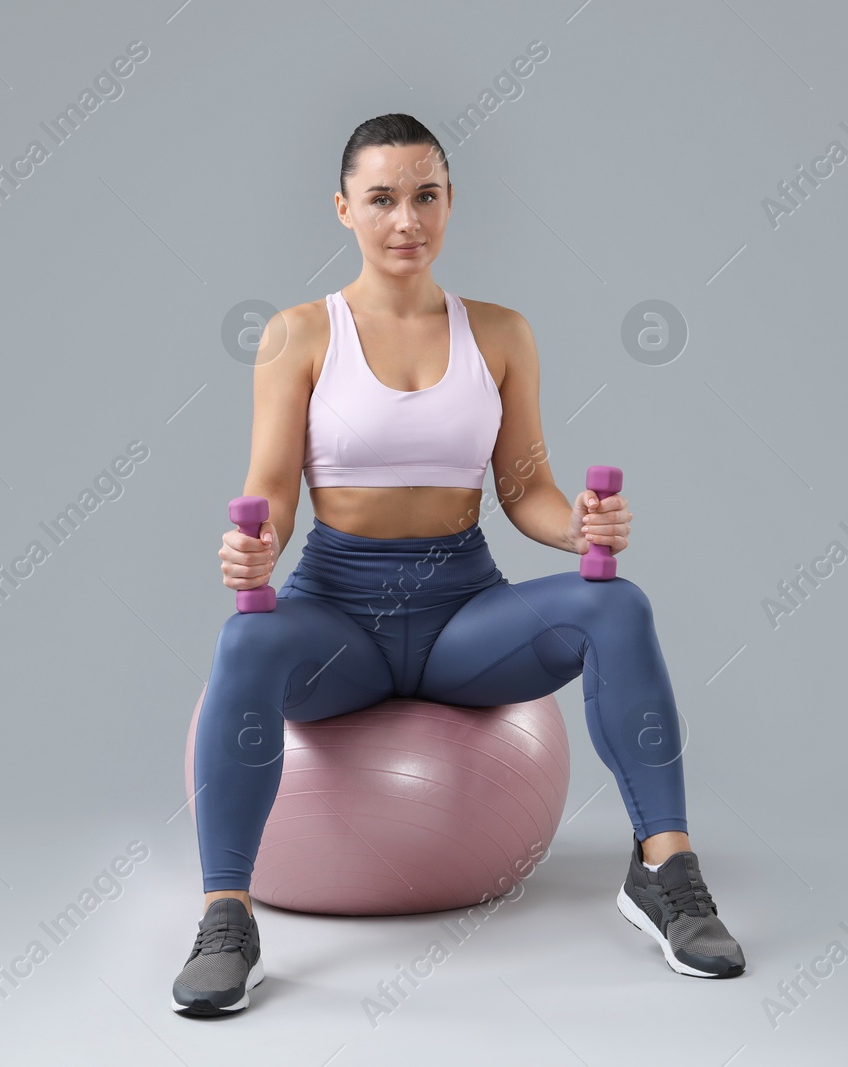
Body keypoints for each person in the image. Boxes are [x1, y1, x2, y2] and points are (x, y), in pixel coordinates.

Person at [172, 113, 745, 1016]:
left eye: (426, 195)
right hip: (339, 618)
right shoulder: (298, 335)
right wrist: (255, 545)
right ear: (343, 209)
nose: (407, 219)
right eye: (383, 198)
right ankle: (225, 916)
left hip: (460, 615)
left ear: (450, 204)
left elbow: (528, 494)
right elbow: (272, 492)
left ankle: (666, 872)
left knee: (619, 607)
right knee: (243, 649)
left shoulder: (503, 334)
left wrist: (585, 527)